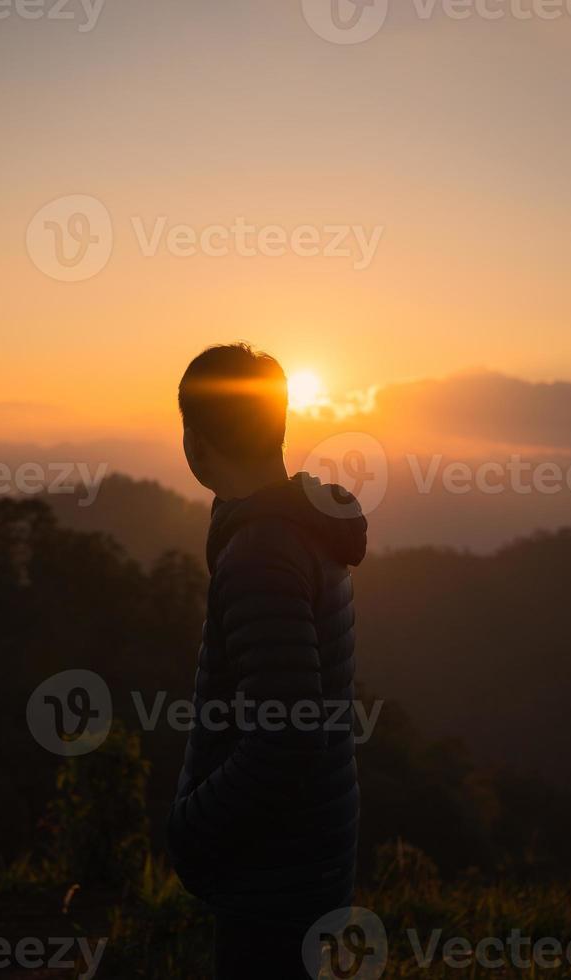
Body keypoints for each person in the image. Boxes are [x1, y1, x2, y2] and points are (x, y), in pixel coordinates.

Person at [167, 343, 367, 979]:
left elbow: (284, 735)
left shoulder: (261, 551)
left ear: (195, 442)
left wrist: (192, 827)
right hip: (308, 850)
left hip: (274, 872)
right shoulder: (305, 523)